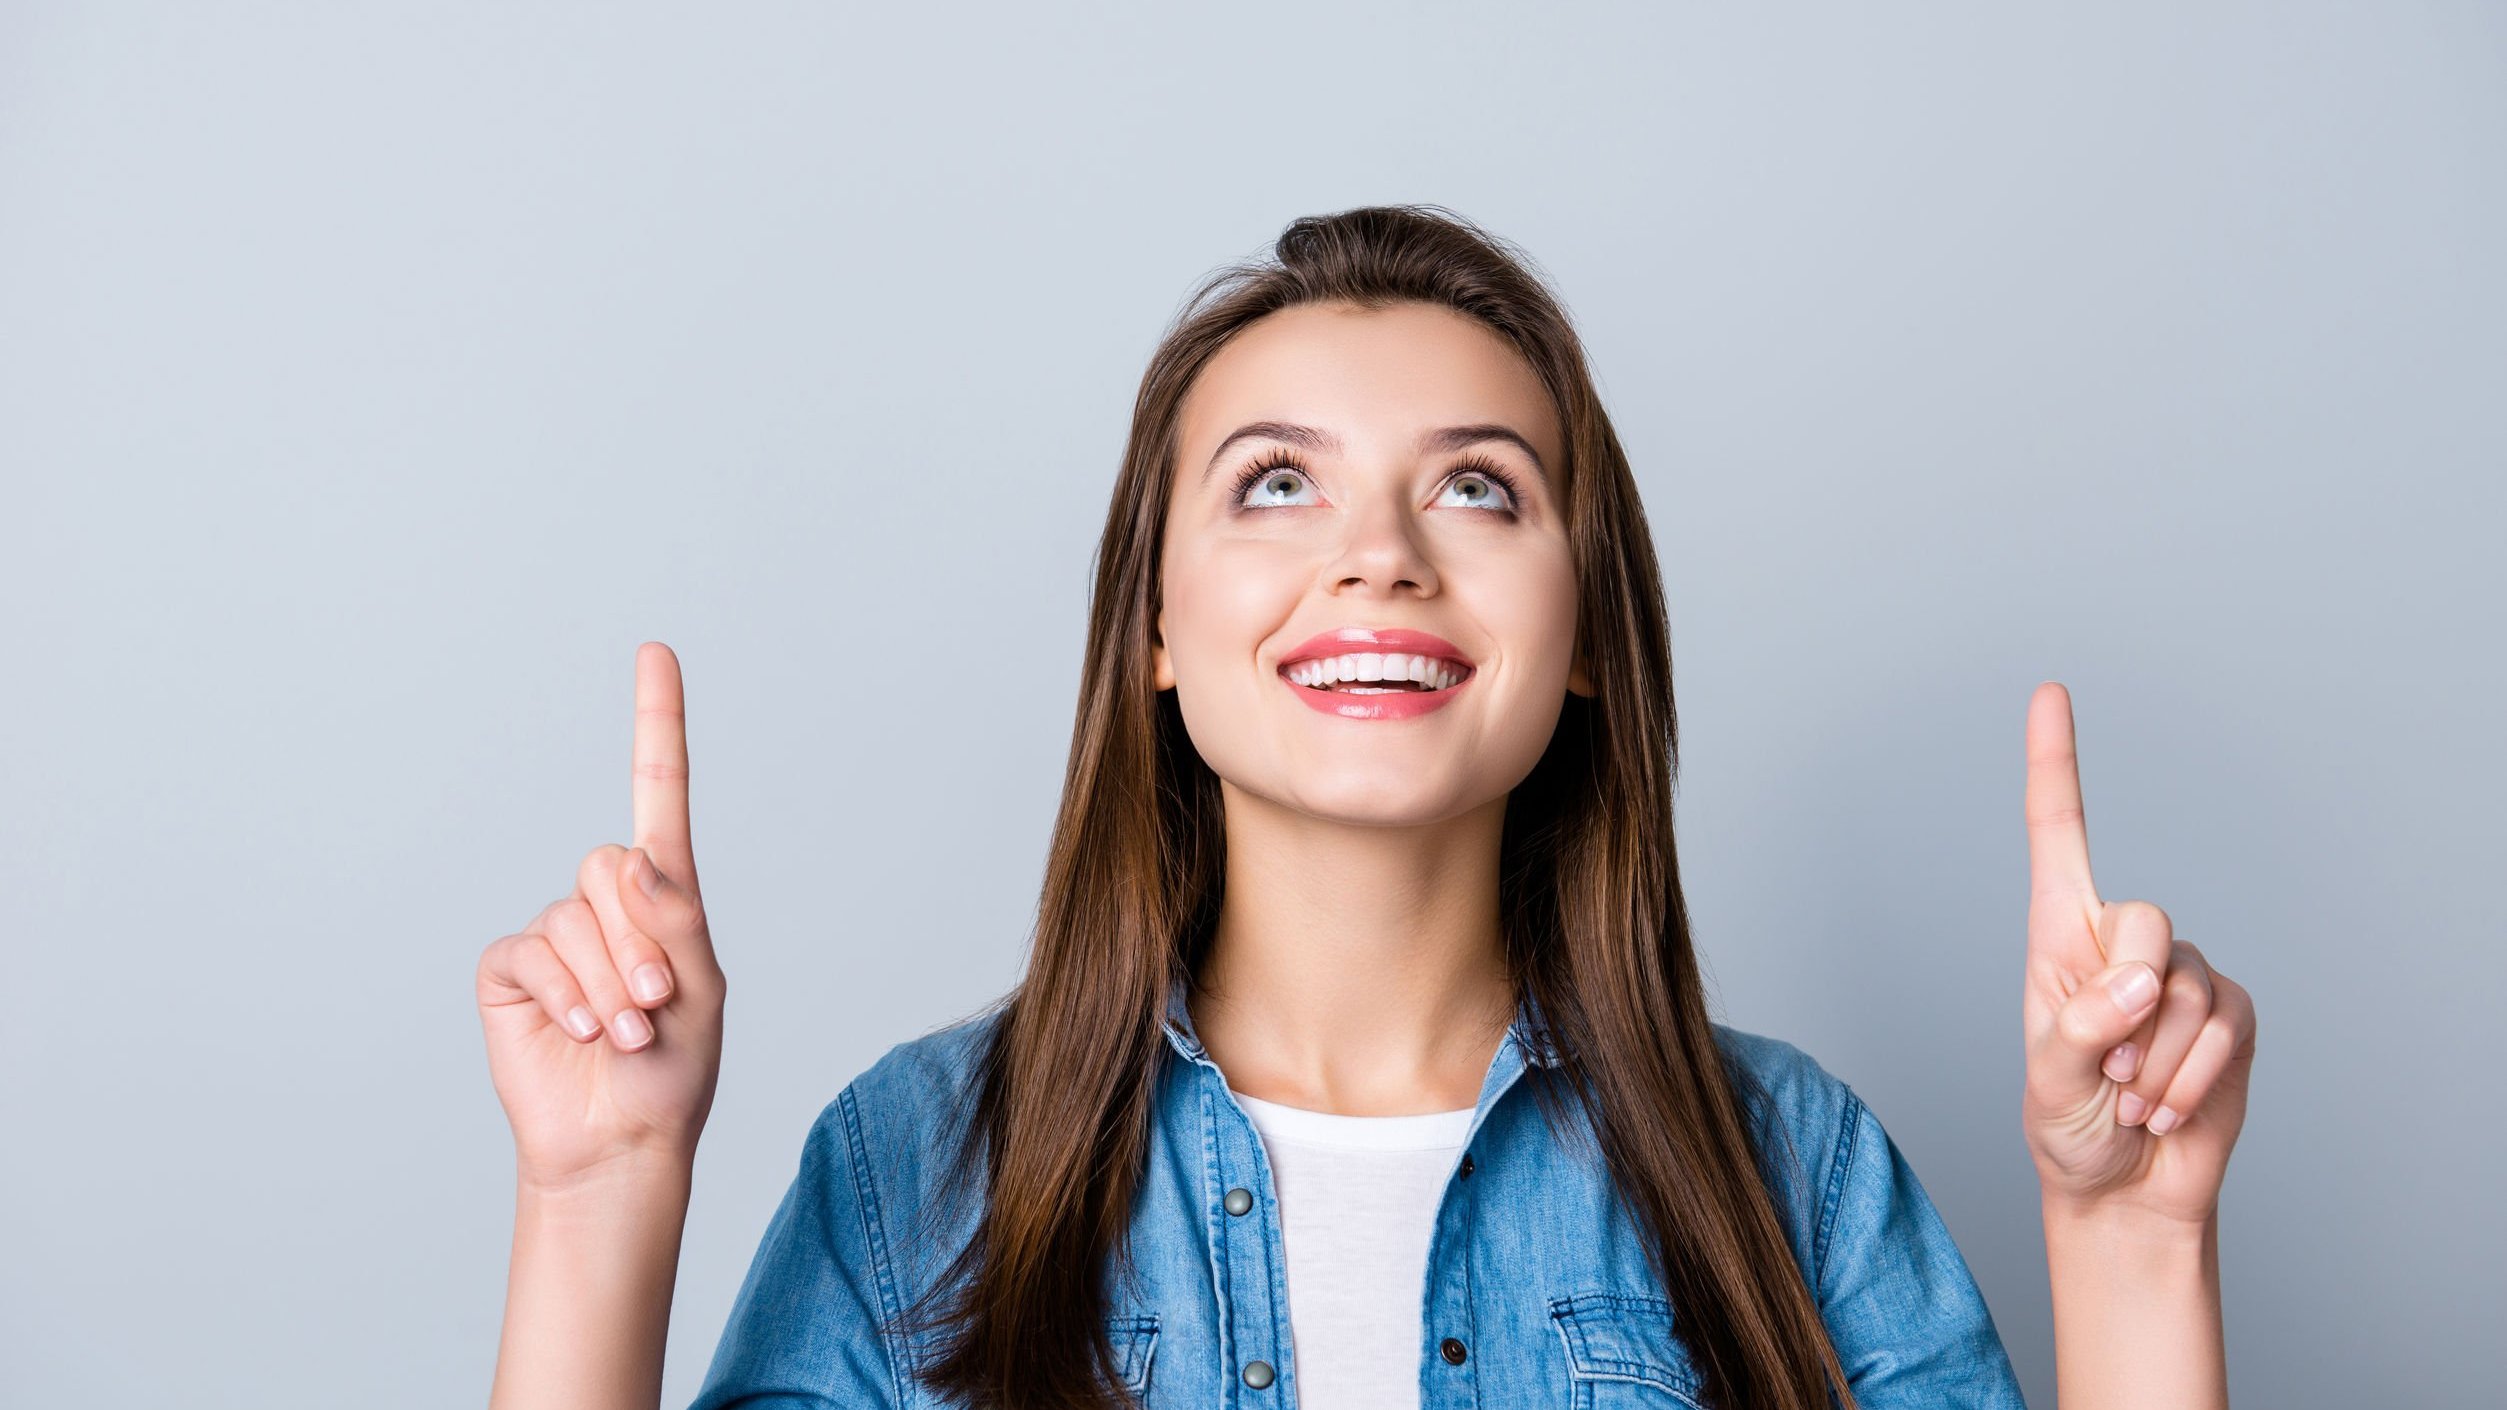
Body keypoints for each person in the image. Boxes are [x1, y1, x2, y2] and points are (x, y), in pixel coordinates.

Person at [477, 205, 2257, 1410]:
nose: (1379, 557)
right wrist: (600, 1193)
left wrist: (2133, 1242)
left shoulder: (1797, 1173)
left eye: (1479, 489)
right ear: (1159, 630)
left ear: (1580, 638)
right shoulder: (914, 1170)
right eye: (1275, 483)